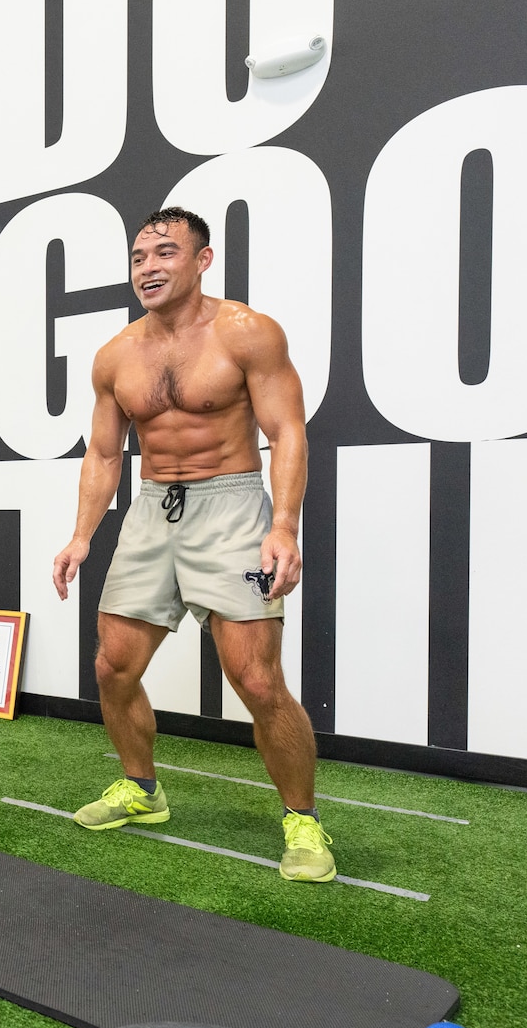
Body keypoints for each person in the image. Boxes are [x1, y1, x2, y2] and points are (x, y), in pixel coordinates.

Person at [50, 206, 333, 884]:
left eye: (165, 253)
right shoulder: (116, 355)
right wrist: (82, 534)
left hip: (231, 507)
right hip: (153, 512)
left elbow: (287, 432)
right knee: (113, 667)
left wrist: (285, 525)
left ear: (202, 260)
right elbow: (102, 451)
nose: (148, 266)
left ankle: (302, 820)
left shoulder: (247, 333)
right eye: (139, 257)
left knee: (258, 680)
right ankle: (142, 792)